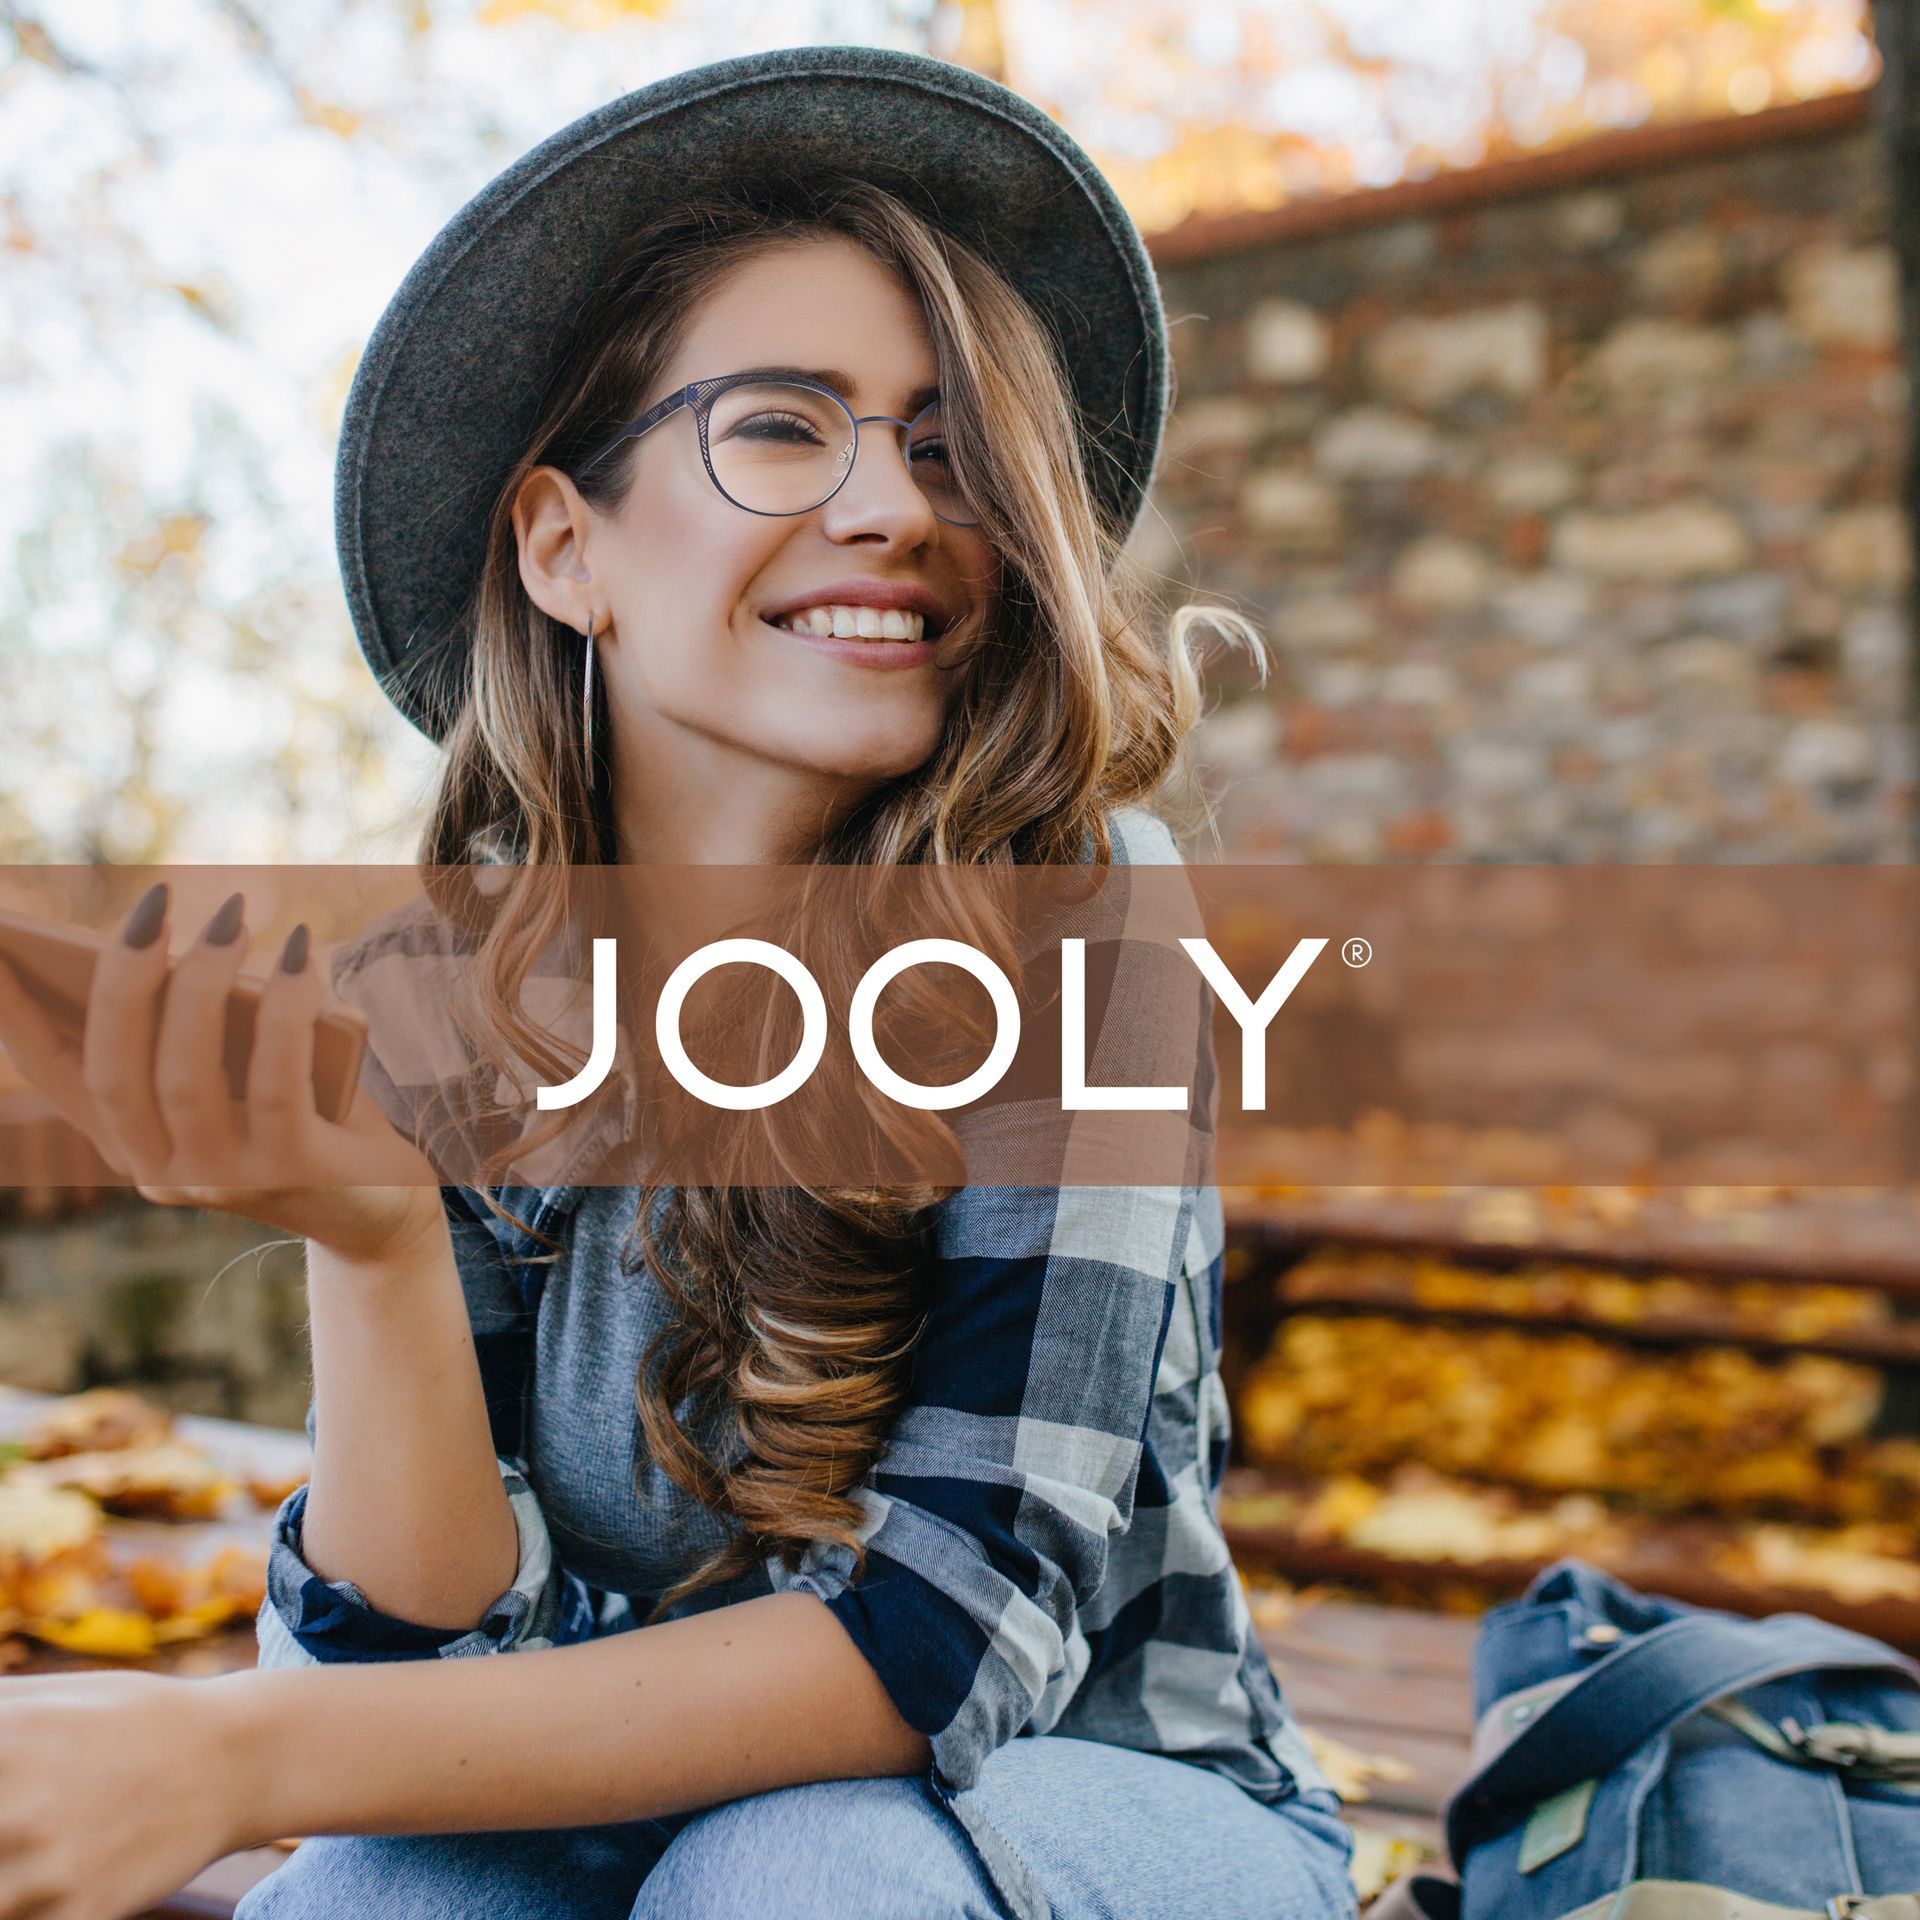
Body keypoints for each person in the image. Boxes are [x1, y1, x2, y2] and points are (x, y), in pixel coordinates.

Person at [0, 48, 1356, 1920]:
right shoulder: (440, 986)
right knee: (378, 1901)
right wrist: (371, 1244)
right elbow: (417, 1682)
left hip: (1097, 1801)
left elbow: (938, 1643)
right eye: (786, 427)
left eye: (948, 443)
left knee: (801, 1873)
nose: (898, 502)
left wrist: (229, 1754)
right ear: (567, 545)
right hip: (616, 1793)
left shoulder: (1083, 922)